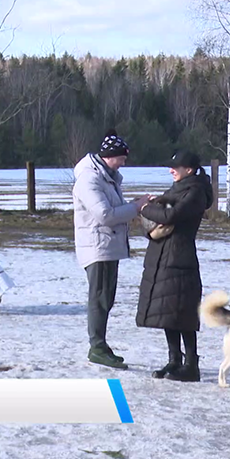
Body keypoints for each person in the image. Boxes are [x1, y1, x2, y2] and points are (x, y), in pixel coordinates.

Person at [72, 131, 149, 370]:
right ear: (110, 156)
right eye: (122, 157)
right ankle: (96, 346)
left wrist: (132, 204)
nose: (125, 162)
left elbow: (112, 209)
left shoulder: (107, 178)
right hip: (98, 247)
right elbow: (105, 215)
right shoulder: (89, 180)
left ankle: (100, 345)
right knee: (99, 298)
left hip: (107, 247)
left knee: (106, 298)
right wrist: (136, 208)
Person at [137, 149, 213, 382]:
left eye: (176, 167)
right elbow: (159, 217)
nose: (171, 170)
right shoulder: (176, 190)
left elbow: (171, 216)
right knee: (167, 311)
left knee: (184, 312)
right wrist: (151, 222)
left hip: (180, 258)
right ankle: (174, 360)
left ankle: (191, 365)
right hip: (162, 255)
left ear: (188, 170)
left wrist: (142, 208)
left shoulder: (195, 192)